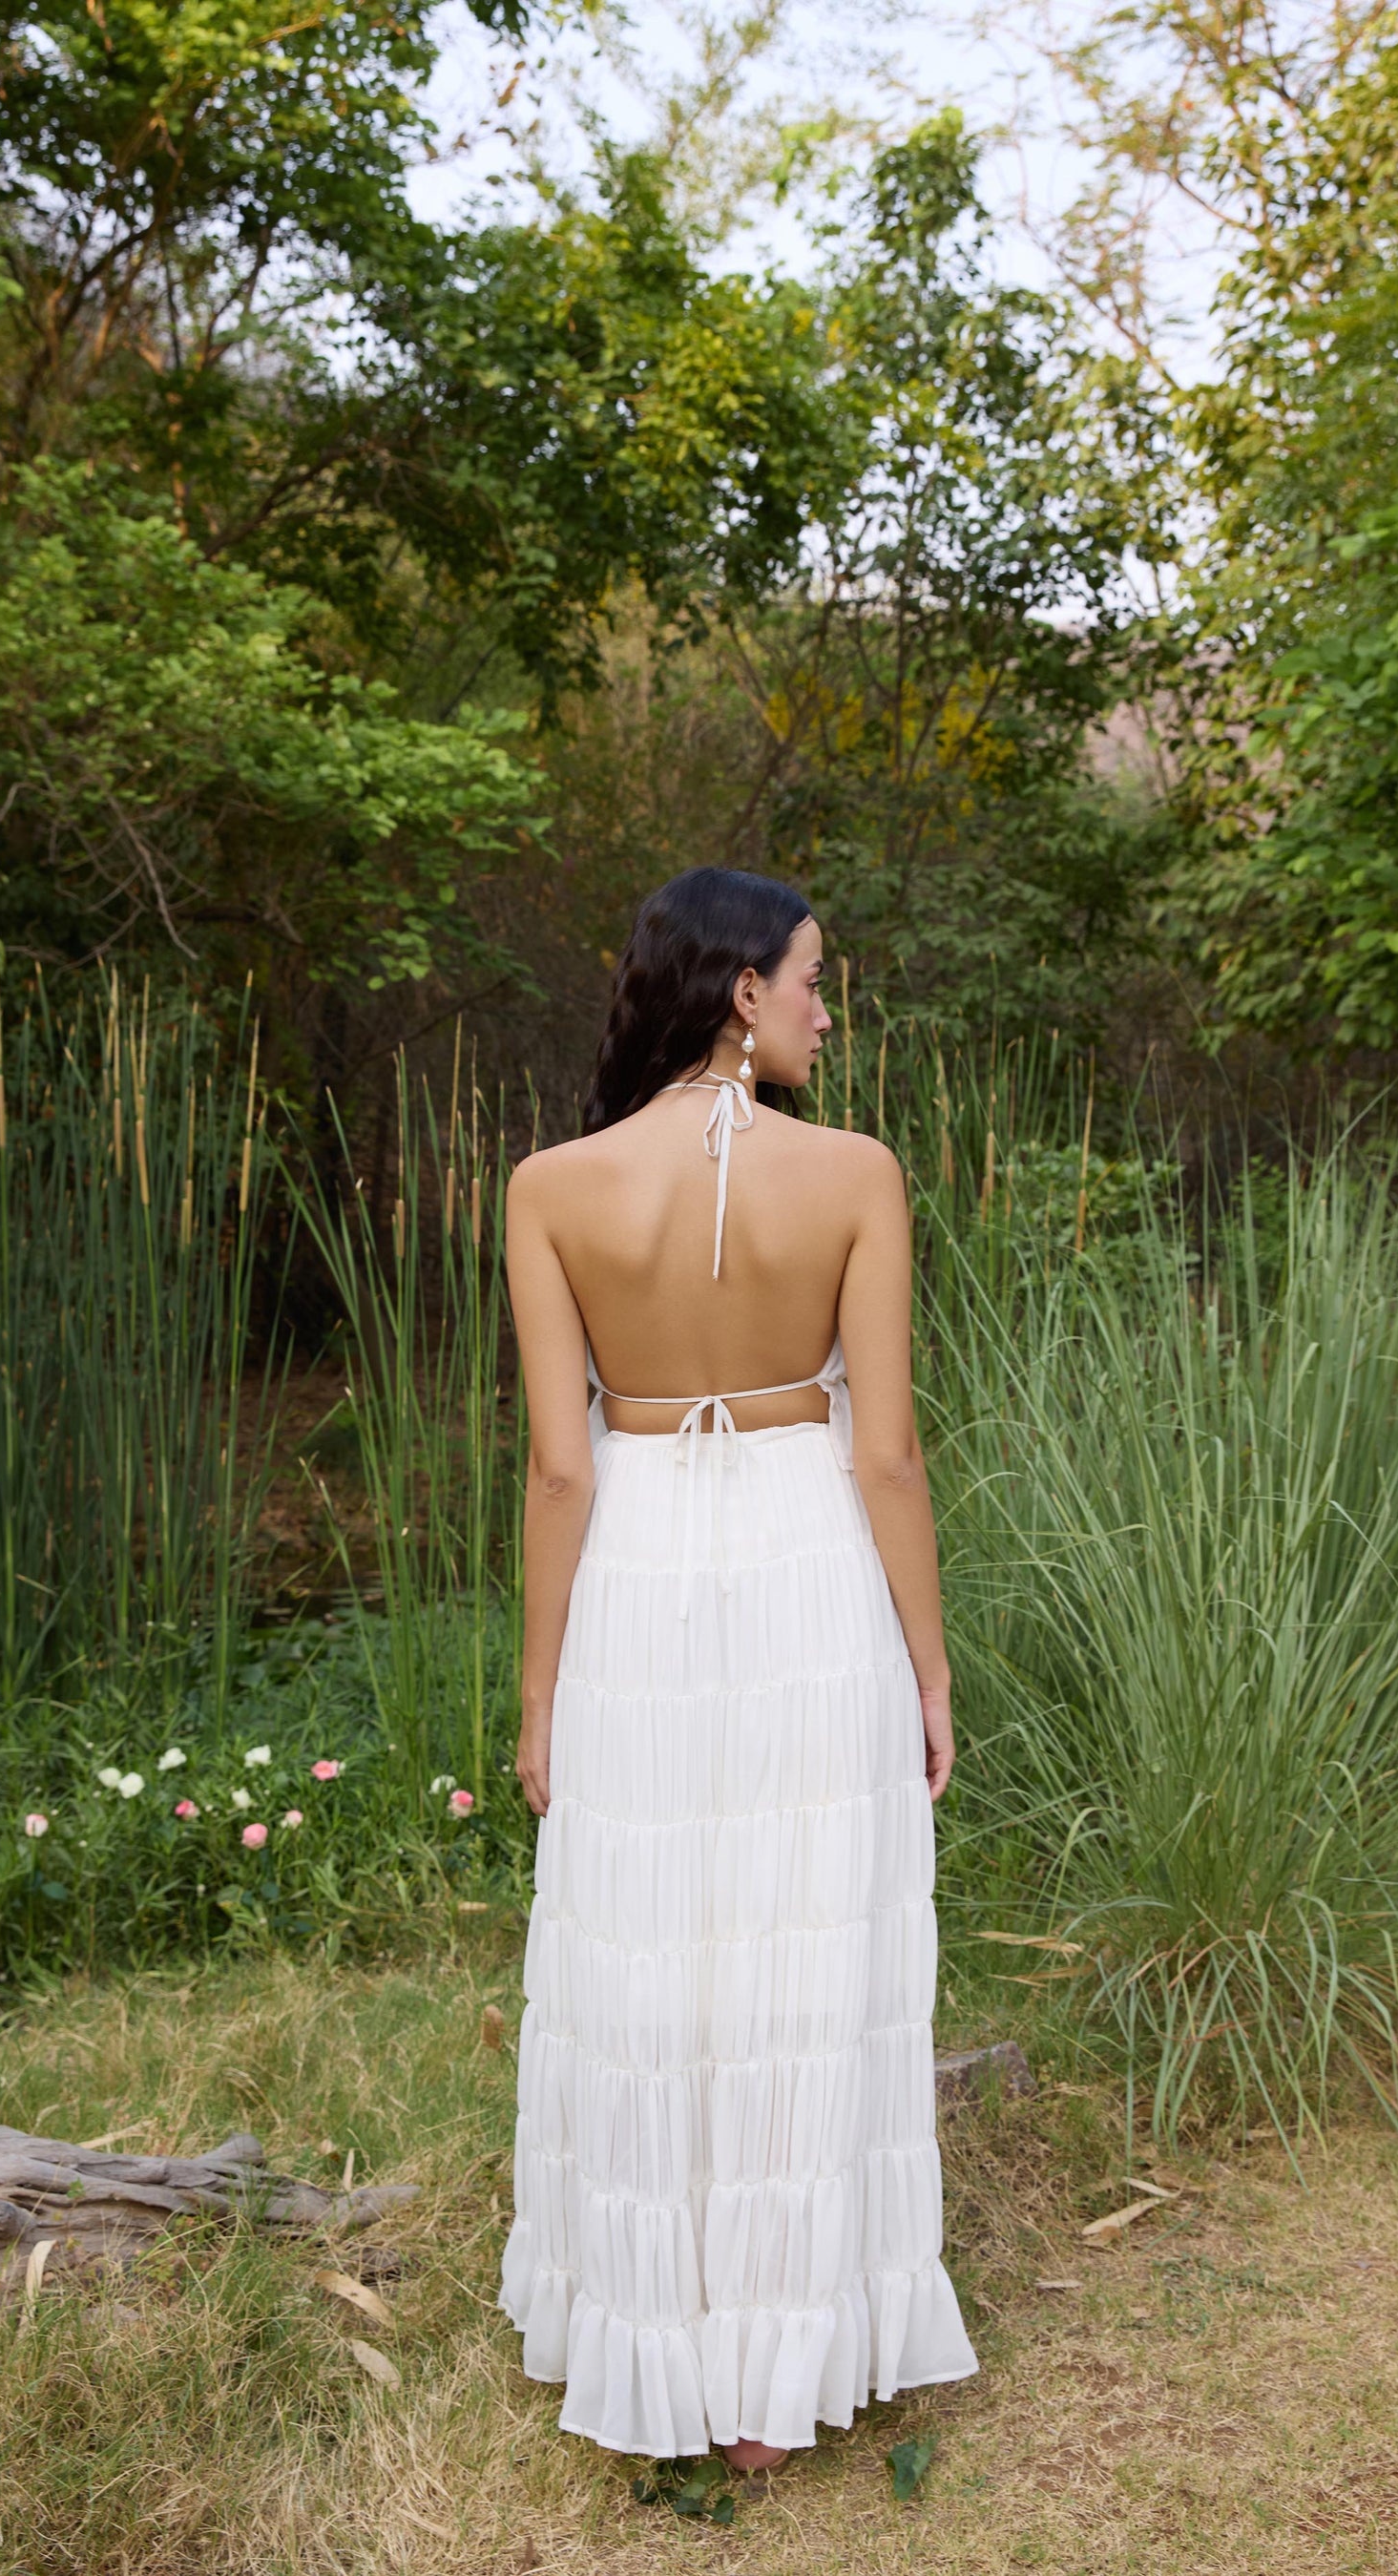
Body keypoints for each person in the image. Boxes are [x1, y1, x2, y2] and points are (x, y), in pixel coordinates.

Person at [496, 866, 977, 2474]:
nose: (829, 1008)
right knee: (795, 1935)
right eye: (813, 979)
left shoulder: (551, 1187)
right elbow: (888, 1455)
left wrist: (539, 1689)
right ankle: (775, 2382)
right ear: (739, 995)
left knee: (651, 1943)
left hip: (638, 1570)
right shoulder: (855, 1175)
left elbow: (560, 1476)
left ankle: (657, 2349)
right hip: (799, 1565)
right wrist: (928, 1665)